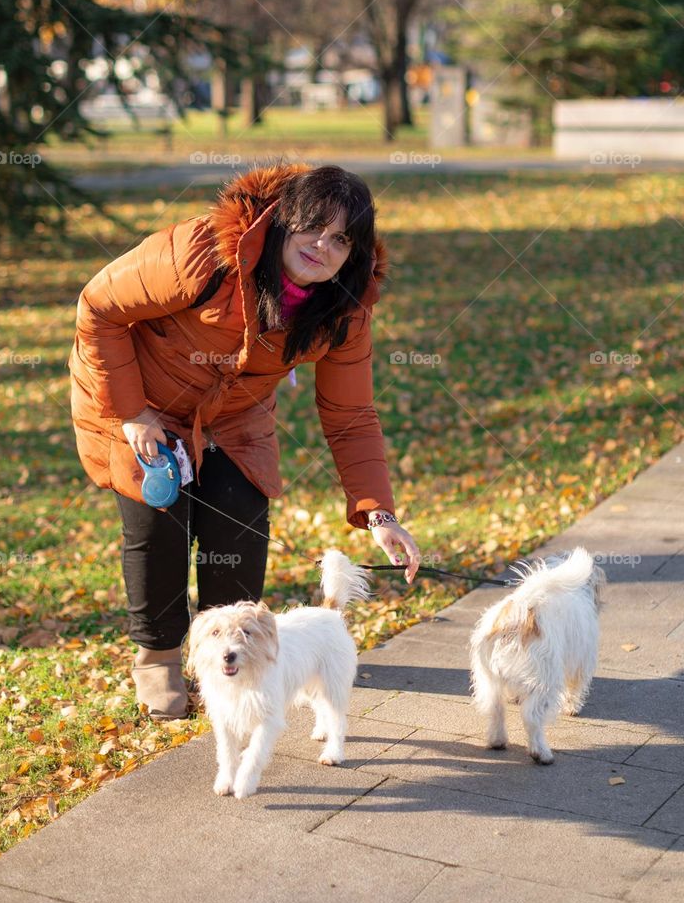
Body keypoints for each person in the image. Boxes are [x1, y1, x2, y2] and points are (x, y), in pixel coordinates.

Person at [68, 161, 421, 719]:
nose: (323, 247)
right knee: (159, 521)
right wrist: (133, 411)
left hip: (234, 416)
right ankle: (159, 658)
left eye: (341, 240)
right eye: (313, 228)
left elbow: (350, 414)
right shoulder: (202, 253)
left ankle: (225, 655)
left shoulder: (345, 309)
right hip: (139, 398)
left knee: (238, 521)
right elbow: (98, 306)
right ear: (283, 221)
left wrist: (378, 512)